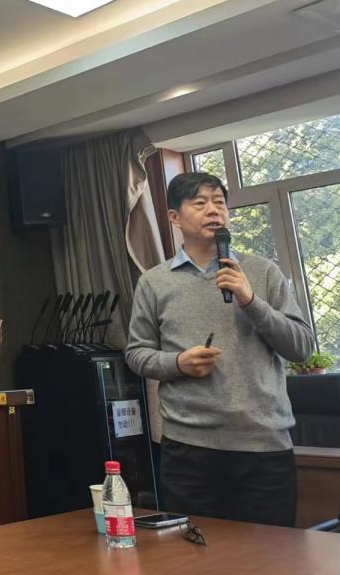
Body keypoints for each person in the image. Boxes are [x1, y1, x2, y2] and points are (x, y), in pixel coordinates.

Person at [125, 172, 315, 526]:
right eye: (200, 203)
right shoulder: (154, 282)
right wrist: (178, 363)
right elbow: (136, 354)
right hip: (189, 450)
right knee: (196, 550)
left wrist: (250, 300)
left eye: (219, 203)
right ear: (174, 217)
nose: (214, 211)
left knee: (271, 552)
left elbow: (302, 348)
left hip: (263, 445)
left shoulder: (262, 272)